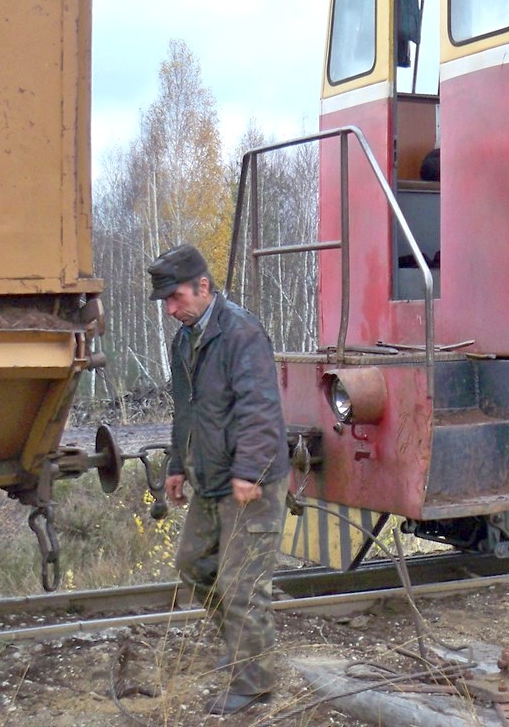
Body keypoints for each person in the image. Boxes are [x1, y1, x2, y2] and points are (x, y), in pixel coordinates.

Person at [148, 243, 290, 716]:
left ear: (204, 287)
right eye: (166, 301)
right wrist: (174, 464)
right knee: (193, 565)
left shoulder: (241, 333)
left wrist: (249, 472)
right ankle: (243, 650)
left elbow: (260, 410)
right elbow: (186, 411)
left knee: (242, 584)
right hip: (209, 478)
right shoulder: (185, 339)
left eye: (176, 298)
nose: (171, 309)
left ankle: (253, 683)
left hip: (251, 482)